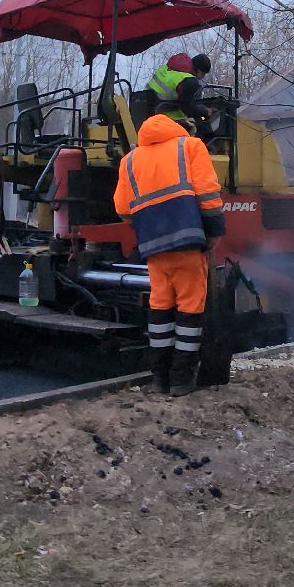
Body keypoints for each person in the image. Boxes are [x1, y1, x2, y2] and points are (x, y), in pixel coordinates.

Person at [111, 111, 225, 397]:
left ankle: (159, 379)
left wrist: (147, 225)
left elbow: (122, 208)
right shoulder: (190, 146)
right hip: (187, 240)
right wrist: (214, 232)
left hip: (153, 246)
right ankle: (181, 380)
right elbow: (208, 194)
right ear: (176, 129)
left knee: (160, 306)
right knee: (190, 308)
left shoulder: (130, 160)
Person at [147, 52, 214, 130]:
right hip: (165, 116)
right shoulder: (189, 81)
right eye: (203, 74)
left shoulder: (166, 67)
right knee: (194, 129)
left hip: (147, 109)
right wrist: (206, 111)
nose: (202, 77)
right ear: (198, 70)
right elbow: (188, 109)